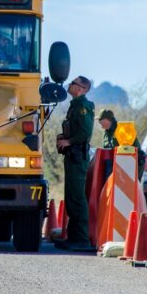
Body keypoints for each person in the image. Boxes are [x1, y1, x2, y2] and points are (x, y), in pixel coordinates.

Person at [56, 76, 94, 250]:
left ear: (81, 89)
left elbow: (85, 133)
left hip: (78, 156)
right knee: (71, 196)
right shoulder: (75, 106)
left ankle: (81, 239)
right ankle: (73, 238)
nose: (69, 84)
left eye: (73, 83)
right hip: (72, 156)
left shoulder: (83, 107)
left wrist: (69, 142)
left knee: (77, 198)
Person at [97, 109, 145, 181]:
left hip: (131, 165)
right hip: (115, 166)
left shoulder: (122, 129)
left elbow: (129, 150)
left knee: (130, 189)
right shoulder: (106, 133)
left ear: (107, 119)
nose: (99, 122)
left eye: (100, 120)